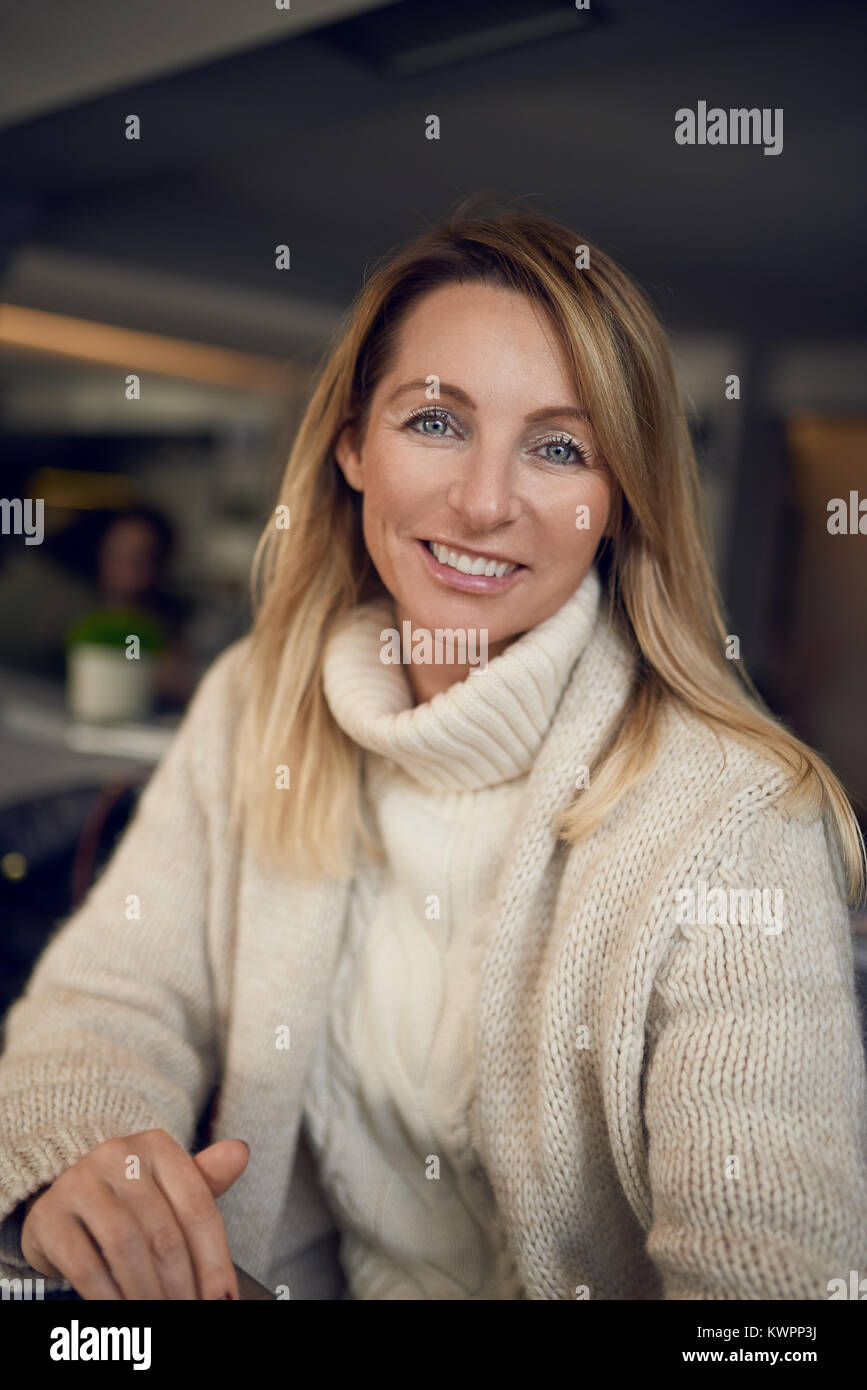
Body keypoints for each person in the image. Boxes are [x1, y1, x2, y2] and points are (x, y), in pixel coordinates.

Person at [0, 199, 865, 1301]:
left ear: (618, 501)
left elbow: (774, 1298)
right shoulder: (257, 703)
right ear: (354, 443)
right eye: (435, 421)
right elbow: (115, 995)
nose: (484, 500)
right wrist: (86, 1152)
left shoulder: (736, 816)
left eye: (560, 447)